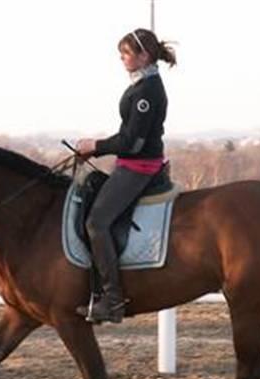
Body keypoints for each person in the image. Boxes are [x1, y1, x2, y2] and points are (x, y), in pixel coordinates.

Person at [75, 28, 177, 324]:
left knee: (96, 223)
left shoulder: (147, 91)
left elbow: (132, 143)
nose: (122, 59)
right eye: (121, 54)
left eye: (126, 54)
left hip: (138, 168)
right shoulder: (143, 84)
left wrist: (95, 146)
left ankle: (113, 299)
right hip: (130, 165)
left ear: (143, 55)